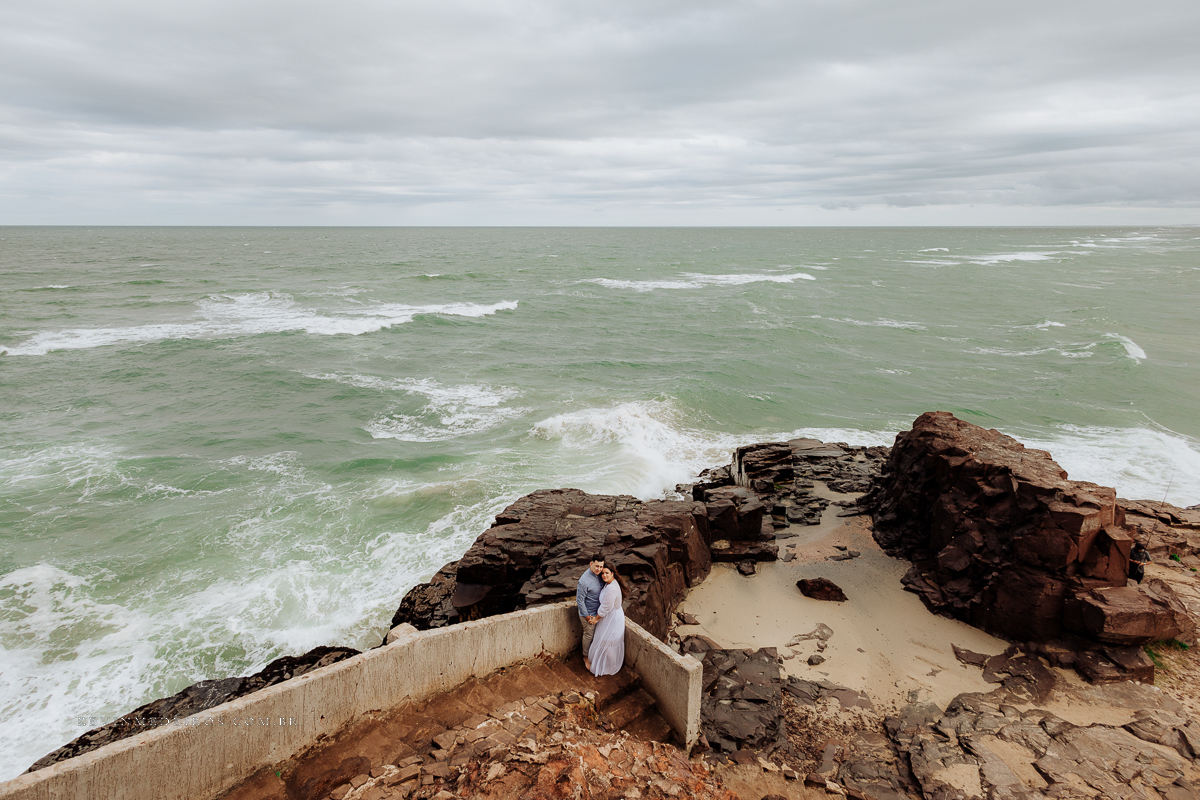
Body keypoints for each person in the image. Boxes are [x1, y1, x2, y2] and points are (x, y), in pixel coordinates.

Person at [588, 566, 626, 677]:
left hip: (612, 620)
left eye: (607, 573)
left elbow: (606, 607)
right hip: (610, 617)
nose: (604, 575)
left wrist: (596, 619)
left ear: (613, 573)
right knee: (606, 641)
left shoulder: (612, 588)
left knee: (607, 642)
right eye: (603, 573)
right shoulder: (609, 584)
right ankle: (608, 665)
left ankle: (604, 667)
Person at [576, 554, 605, 671]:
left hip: (598, 614)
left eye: (601, 567)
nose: (599, 569)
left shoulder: (599, 575)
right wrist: (587, 617)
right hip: (589, 614)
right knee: (589, 635)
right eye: (597, 566)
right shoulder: (584, 581)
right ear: (591, 564)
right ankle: (585, 657)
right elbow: (579, 600)